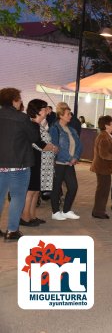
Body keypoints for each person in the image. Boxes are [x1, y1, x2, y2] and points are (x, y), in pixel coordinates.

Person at [0, 88, 42, 240]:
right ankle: (12, 230)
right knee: (18, 197)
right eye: (18, 99)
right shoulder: (22, 118)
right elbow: (33, 137)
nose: (20, 102)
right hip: (19, 164)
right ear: (14, 100)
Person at [22, 99, 57, 227]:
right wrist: (52, 147)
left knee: (36, 190)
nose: (46, 110)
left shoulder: (38, 124)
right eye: (43, 108)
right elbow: (37, 143)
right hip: (33, 161)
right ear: (37, 110)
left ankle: (32, 216)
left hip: (40, 161)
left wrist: (51, 147)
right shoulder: (32, 124)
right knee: (30, 191)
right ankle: (25, 217)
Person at [49, 102, 82, 221]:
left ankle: (67, 210)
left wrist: (76, 157)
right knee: (56, 188)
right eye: (68, 114)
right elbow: (56, 147)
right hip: (59, 163)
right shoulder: (54, 129)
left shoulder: (72, 129)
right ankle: (55, 211)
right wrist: (70, 158)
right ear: (61, 115)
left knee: (73, 187)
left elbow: (79, 145)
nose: (70, 116)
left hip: (69, 164)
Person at [90, 116, 112, 219]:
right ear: (106, 125)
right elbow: (103, 154)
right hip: (102, 167)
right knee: (102, 190)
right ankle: (99, 211)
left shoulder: (107, 135)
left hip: (104, 168)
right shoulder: (104, 136)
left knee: (103, 190)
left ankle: (99, 210)